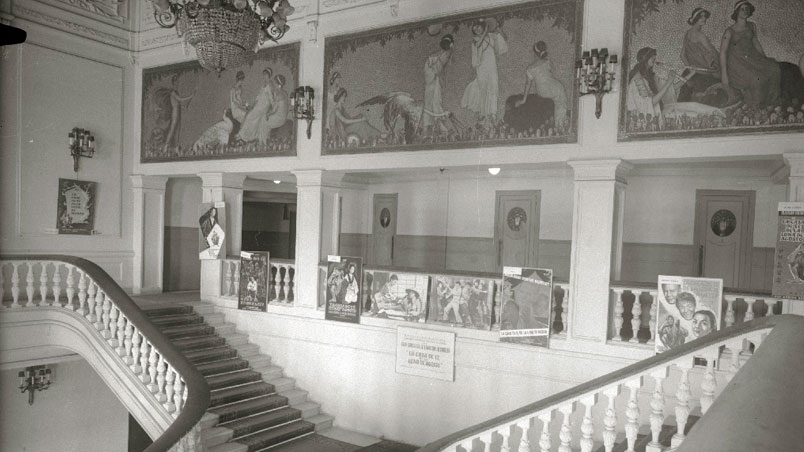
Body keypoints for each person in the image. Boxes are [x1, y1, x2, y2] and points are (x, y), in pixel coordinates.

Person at [719, 1, 780, 108]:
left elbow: (756, 42)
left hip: (752, 59)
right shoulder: (729, 31)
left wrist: (764, 58)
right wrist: (724, 75)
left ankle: (772, 103)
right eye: (742, 9)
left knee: (774, 68)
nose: (745, 11)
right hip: (737, 63)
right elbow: (723, 53)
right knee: (756, 78)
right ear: (736, 12)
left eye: (747, 8)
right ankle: (755, 106)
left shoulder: (752, 26)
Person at [461, 18, 507, 126]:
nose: (476, 29)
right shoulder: (475, 39)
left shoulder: (491, 36)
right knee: (483, 89)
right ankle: (482, 112)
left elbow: (504, 38)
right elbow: (477, 45)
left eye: (478, 26)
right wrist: (486, 31)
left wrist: (497, 27)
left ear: (483, 26)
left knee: (493, 87)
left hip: (492, 65)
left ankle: (493, 113)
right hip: (482, 67)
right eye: (474, 28)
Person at [514, 41, 568, 129]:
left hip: (542, 90)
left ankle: (560, 124)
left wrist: (523, 100)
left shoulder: (530, 68)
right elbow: (552, 72)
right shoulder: (547, 61)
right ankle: (560, 125)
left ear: (534, 54)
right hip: (552, 87)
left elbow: (528, 85)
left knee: (559, 99)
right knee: (561, 99)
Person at [422, 34, 454, 135]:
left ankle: (441, 126)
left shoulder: (447, 54)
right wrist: (432, 65)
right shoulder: (434, 55)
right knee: (428, 103)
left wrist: (434, 64)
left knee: (436, 101)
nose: (445, 45)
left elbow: (440, 67)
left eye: (448, 43)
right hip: (431, 81)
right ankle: (428, 127)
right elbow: (428, 67)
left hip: (437, 81)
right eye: (444, 42)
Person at [238, 68, 275, 144]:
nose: (264, 76)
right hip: (259, 104)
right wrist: (253, 105)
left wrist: (271, 108)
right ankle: (248, 136)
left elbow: (271, 98)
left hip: (264, 105)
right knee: (250, 116)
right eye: (263, 74)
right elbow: (258, 96)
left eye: (266, 74)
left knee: (250, 116)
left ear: (269, 75)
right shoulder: (263, 85)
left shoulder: (270, 84)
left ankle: (243, 135)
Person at [161, 74, 195, 153]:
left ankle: (176, 148)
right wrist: (191, 96)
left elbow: (178, 104)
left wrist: (184, 107)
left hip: (178, 112)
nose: (178, 83)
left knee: (178, 130)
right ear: (174, 82)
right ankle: (165, 146)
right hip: (175, 113)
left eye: (178, 81)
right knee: (172, 129)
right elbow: (180, 100)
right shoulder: (173, 92)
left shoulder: (176, 92)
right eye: (177, 81)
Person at [681, 8, 720, 74]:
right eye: (701, 16)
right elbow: (713, 53)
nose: (704, 18)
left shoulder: (688, 33)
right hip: (703, 72)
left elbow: (682, 55)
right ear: (695, 18)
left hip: (692, 71)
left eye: (705, 16)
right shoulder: (700, 35)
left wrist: (689, 68)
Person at [263, 74, 290, 138]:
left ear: (278, 84)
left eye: (274, 82)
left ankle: (264, 141)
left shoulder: (279, 94)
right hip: (283, 117)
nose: (273, 84)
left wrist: (267, 114)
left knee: (261, 121)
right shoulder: (285, 92)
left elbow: (273, 110)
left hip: (278, 118)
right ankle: (266, 139)